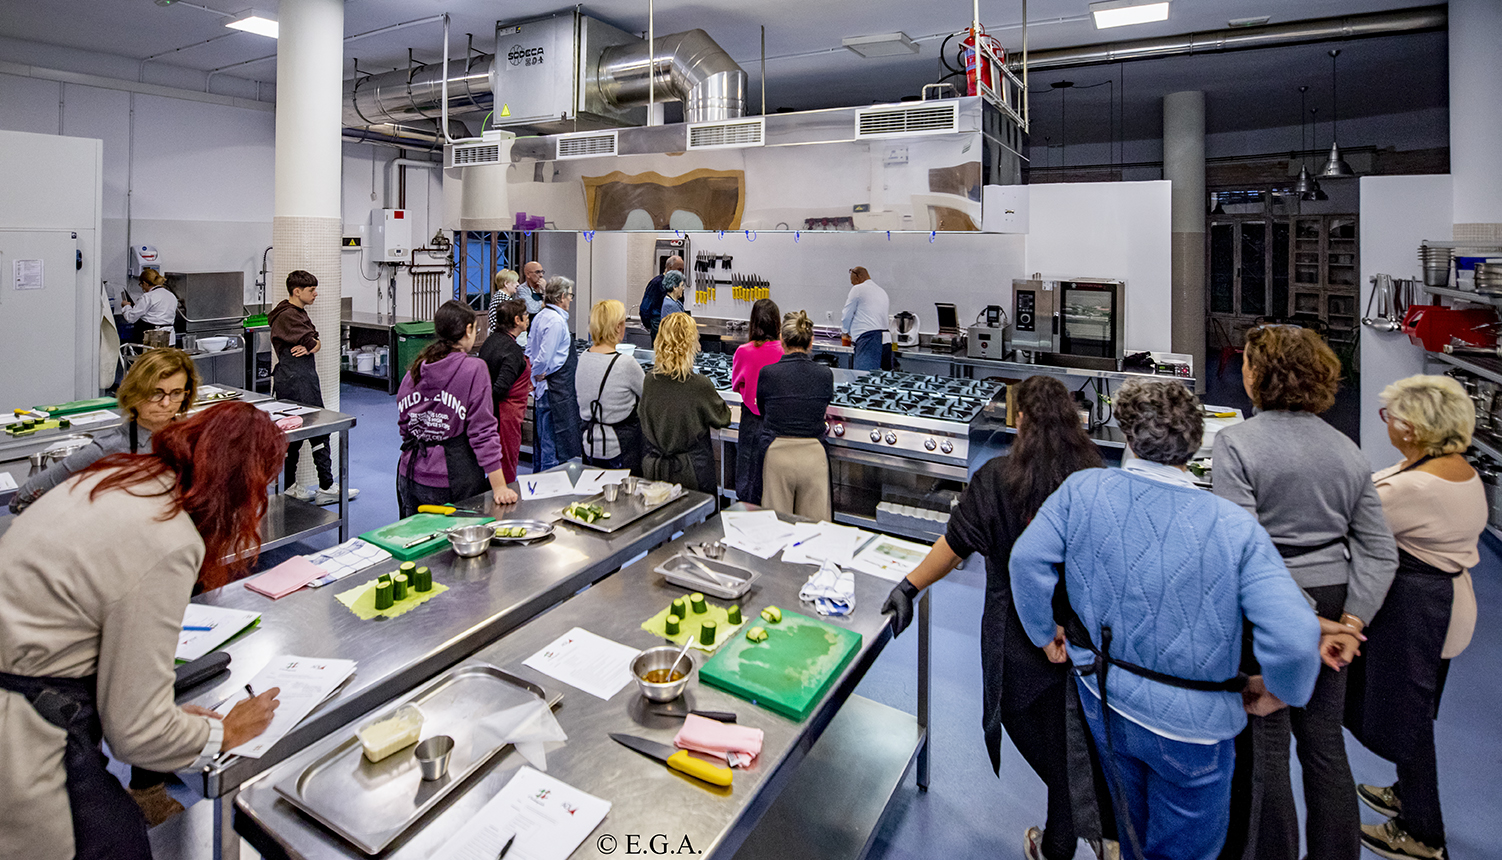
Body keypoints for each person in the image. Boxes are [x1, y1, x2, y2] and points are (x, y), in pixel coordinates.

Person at [1010, 379, 1322, 860]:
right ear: (1196, 443)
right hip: (1195, 726)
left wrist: (1043, 634)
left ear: (1128, 434)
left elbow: (1026, 562)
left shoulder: (1084, 490)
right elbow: (1298, 636)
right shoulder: (1233, 526)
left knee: (1131, 829)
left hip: (1105, 697)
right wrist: (1282, 691)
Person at [0, 402, 284, 860]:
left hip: (28, 674)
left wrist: (169, 717)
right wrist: (225, 734)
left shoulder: (120, 477)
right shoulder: (168, 540)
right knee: (116, 845)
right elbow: (136, 735)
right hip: (21, 724)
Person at [881, 376, 1114, 860]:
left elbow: (954, 547)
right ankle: (1077, 832)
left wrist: (910, 585)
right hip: (1078, 636)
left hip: (1015, 642)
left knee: (1043, 739)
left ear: (1023, 419)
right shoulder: (1092, 477)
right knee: (1071, 740)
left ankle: (1065, 838)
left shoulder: (997, 480)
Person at [1211, 325, 1396, 860]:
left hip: (1271, 603)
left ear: (1255, 374)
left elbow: (1244, 548)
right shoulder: (1347, 450)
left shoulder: (1236, 444)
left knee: (1266, 738)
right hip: (1337, 601)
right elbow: (1379, 551)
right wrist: (1349, 625)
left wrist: (1305, 622)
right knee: (1324, 742)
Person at [1346, 376, 1487, 860]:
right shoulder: (1455, 468)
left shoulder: (1414, 488)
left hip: (1418, 612)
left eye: (1392, 417)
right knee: (1417, 707)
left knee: (1409, 721)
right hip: (1441, 606)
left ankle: (1423, 834)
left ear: (1412, 429)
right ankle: (1406, 794)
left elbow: (1352, 522)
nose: (1388, 424)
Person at [10, 347, 199, 515]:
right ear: (135, 392)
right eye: (156, 393)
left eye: (176, 393)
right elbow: (24, 498)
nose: (166, 403)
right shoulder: (110, 447)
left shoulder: (192, 438)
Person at [397, 300, 517, 516]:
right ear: (468, 329)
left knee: (416, 542)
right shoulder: (473, 369)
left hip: (410, 472)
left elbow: (405, 424)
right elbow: (483, 431)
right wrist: (499, 486)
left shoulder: (415, 368)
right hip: (452, 477)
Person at [269, 270, 358, 506]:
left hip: (297, 376)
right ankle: (326, 486)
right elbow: (312, 341)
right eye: (311, 290)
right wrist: (312, 345)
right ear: (296, 291)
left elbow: (315, 342)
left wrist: (313, 345)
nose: (315, 294)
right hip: (298, 379)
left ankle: (291, 486)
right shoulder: (288, 316)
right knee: (317, 428)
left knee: (295, 433)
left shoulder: (293, 313)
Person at [755, 311, 835, 520]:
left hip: (777, 456)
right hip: (814, 457)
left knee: (776, 529)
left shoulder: (768, 373)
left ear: (782, 340)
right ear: (811, 342)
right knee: (814, 534)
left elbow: (763, 411)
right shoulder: (825, 374)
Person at [640, 312, 731, 492]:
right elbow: (723, 418)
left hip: (654, 474)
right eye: (696, 341)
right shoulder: (699, 384)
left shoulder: (650, 380)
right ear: (688, 345)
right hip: (691, 474)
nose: (699, 347)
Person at [577, 299, 644, 472]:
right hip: (619, 448)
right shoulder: (626, 363)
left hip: (588, 444)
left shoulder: (583, 357)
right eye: (623, 323)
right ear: (616, 327)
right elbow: (649, 397)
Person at [525, 276, 582, 470]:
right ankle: (549, 482)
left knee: (543, 441)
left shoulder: (541, 316)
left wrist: (535, 373)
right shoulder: (556, 322)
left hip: (547, 388)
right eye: (570, 296)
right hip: (554, 391)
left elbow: (529, 350)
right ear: (561, 296)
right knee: (552, 444)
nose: (571, 300)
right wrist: (538, 373)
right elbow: (542, 357)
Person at [730, 299, 782, 504]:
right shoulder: (784, 350)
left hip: (752, 420)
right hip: (777, 420)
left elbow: (736, 384)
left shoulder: (743, 351)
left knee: (749, 477)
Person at [479, 299, 531, 485]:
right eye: (525, 315)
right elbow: (500, 388)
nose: (528, 318)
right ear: (517, 320)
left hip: (489, 413)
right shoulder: (512, 350)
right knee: (505, 464)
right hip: (505, 418)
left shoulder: (490, 341)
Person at [841, 266, 889, 372]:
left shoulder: (858, 289)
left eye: (853, 282)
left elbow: (847, 314)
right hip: (886, 341)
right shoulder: (882, 291)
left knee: (863, 379)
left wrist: (845, 332)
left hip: (869, 340)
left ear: (858, 277)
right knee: (883, 381)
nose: (853, 285)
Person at [120, 268, 178, 343]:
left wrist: (126, 306)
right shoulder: (171, 295)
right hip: (170, 338)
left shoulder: (148, 297)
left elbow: (131, 318)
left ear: (145, 283)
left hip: (153, 338)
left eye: (141, 284)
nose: (142, 288)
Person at [639, 255, 685, 339]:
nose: (681, 272)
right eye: (679, 269)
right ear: (670, 268)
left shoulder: (678, 285)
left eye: (682, 270)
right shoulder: (656, 283)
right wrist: (650, 325)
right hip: (658, 324)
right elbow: (645, 307)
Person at [488, 269, 521, 335]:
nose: (518, 284)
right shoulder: (502, 300)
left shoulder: (501, 297)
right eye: (515, 282)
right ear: (506, 284)